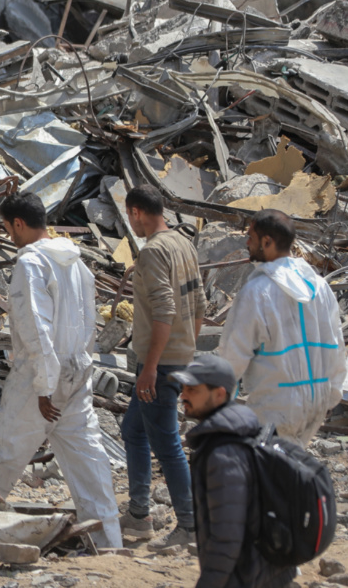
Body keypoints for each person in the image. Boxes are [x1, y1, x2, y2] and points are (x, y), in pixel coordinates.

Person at [0, 191, 123, 550]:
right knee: (88, 463)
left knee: (3, 455)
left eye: (8, 228)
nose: (9, 235)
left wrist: (44, 388)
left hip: (40, 380)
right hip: (76, 374)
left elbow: (36, 329)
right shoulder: (76, 263)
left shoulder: (31, 264)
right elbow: (88, 323)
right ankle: (110, 543)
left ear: (19, 224)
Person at [119, 185, 205, 547]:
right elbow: (200, 304)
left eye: (130, 217)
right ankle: (139, 514)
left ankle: (189, 525)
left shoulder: (153, 251)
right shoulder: (183, 243)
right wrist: (187, 349)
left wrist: (151, 367)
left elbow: (165, 310)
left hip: (160, 363)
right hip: (176, 357)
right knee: (133, 430)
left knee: (167, 444)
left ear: (137, 212)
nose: (131, 223)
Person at [219, 209, 344, 447]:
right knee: (291, 463)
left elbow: (233, 355)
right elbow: (335, 346)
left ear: (267, 242)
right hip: (316, 403)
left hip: (276, 407)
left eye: (251, 237)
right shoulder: (320, 287)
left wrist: (220, 403)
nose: (247, 243)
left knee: (267, 466)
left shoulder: (257, 292)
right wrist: (331, 396)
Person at [175, 354, 295, 588]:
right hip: (264, 571)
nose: (183, 396)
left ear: (219, 394)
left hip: (249, 577)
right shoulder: (239, 433)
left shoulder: (224, 454)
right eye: (183, 388)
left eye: (193, 390)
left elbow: (227, 537)